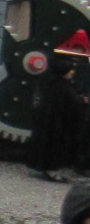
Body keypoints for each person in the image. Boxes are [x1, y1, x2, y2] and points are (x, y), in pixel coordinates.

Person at [31, 32, 90, 182]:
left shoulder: (53, 85)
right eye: (70, 70)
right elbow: (75, 104)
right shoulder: (63, 88)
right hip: (59, 126)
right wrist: (82, 102)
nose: (73, 72)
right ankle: (53, 170)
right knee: (56, 147)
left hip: (54, 124)